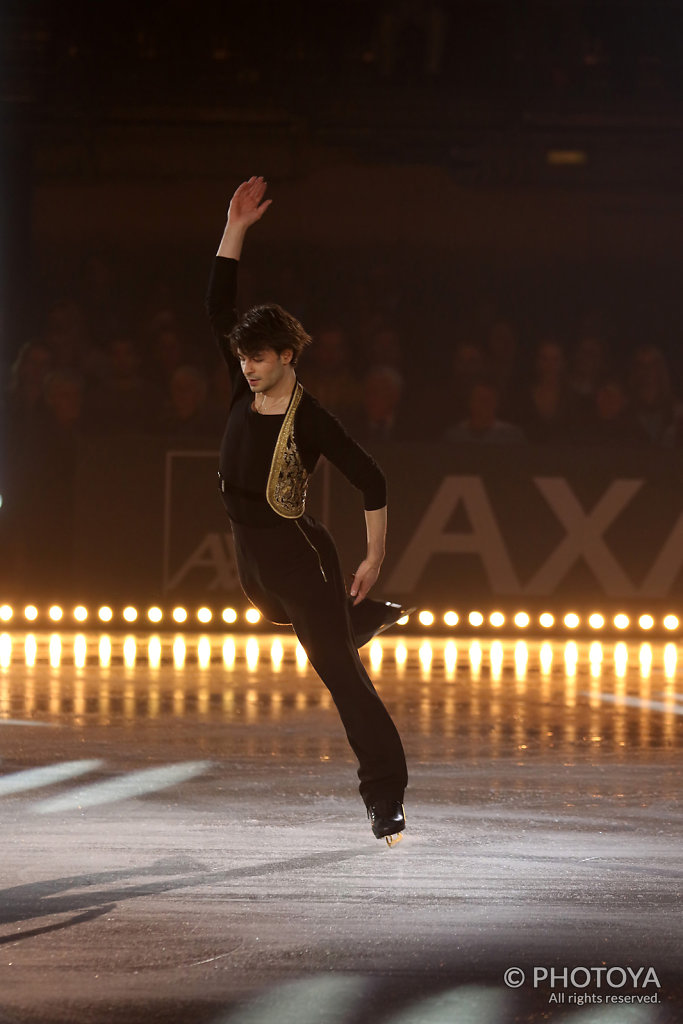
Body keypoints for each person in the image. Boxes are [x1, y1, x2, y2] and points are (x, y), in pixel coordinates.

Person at [205, 177, 409, 844]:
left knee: (340, 677)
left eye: (258, 357)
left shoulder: (310, 418)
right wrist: (235, 228)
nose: (248, 366)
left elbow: (370, 477)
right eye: (243, 357)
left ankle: (385, 798)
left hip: (300, 559)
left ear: (286, 356)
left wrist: (374, 556)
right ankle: (352, 623)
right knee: (284, 617)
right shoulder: (242, 384)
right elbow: (218, 303)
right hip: (253, 563)